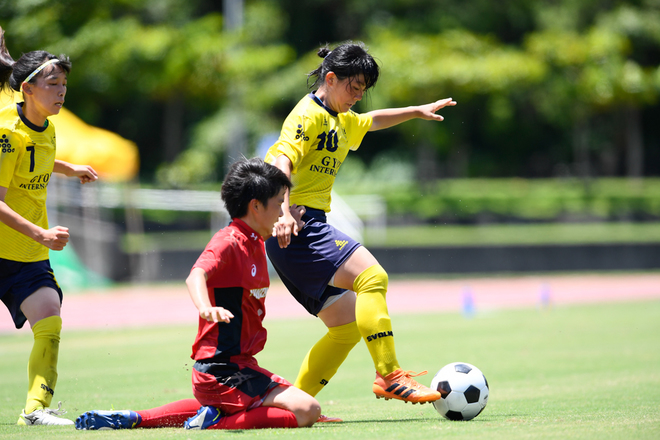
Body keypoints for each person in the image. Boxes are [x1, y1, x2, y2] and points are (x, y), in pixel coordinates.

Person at [264, 41, 457, 405]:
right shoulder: (309, 115)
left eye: (363, 91)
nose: (358, 97)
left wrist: (417, 110)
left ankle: (294, 406)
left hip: (299, 229)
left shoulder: (339, 117)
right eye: (354, 88)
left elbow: (371, 121)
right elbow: (281, 163)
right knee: (373, 277)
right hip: (298, 225)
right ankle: (390, 376)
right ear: (331, 78)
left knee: (346, 326)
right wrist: (284, 212)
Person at [75, 158, 322, 431]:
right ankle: (213, 423)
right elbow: (196, 275)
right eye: (278, 203)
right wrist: (205, 307)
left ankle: (136, 418)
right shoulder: (228, 241)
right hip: (222, 371)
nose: (281, 212)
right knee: (307, 410)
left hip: (235, 367)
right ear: (255, 206)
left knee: (276, 403)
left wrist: (292, 221)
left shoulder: (252, 238)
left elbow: (271, 231)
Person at [0, 27, 99, 426]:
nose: (61, 92)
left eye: (63, 85)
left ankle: (35, 411)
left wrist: (68, 168)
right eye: (52, 84)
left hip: (24, 254)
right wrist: (41, 233)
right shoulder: (7, 135)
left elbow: (37, 159)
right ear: (28, 88)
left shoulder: (48, 128)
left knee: (49, 317)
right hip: (19, 242)